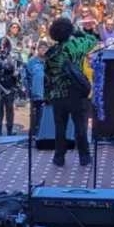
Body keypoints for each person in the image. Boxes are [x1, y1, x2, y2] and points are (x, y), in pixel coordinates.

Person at [43, 17, 99, 167]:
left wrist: (47, 94)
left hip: (58, 95)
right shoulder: (78, 45)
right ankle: (84, 157)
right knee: (80, 126)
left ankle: (59, 157)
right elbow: (93, 39)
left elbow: (47, 76)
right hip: (76, 93)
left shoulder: (50, 52)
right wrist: (79, 32)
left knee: (60, 128)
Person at [25, 41, 48, 136]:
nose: (43, 49)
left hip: (48, 95)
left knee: (47, 115)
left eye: (45, 47)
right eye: (41, 47)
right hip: (36, 94)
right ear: (37, 49)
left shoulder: (51, 62)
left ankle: (45, 134)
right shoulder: (32, 62)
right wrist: (29, 90)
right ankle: (34, 134)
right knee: (35, 115)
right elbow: (26, 78)